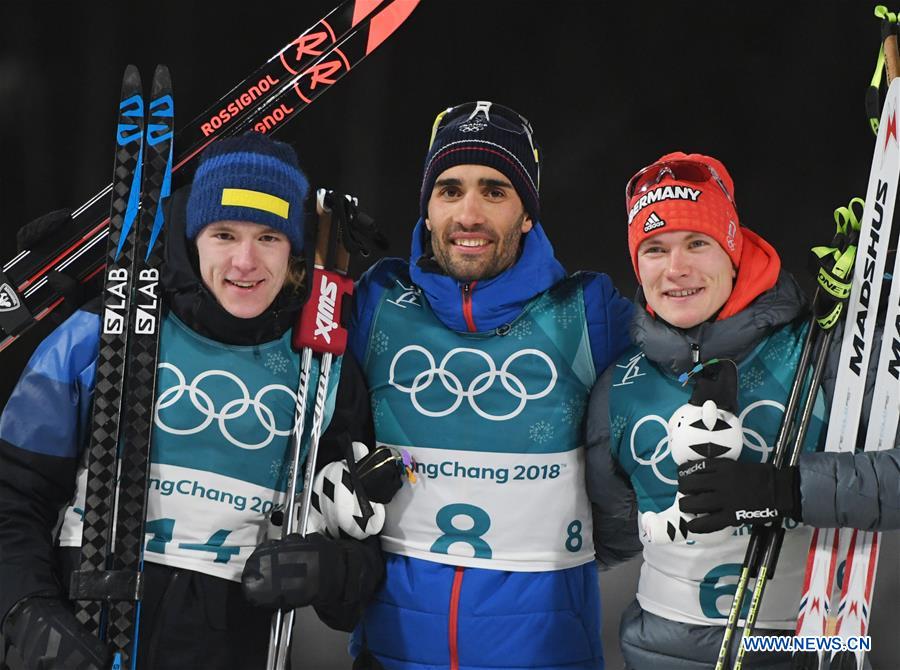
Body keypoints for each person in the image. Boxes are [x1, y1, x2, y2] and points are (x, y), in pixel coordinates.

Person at [0, 132, 386, 669]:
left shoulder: (326, 373)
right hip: (87, 640)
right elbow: (13, 492)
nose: (245, 261)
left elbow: (361, 553)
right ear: (194, 236)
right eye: (224, 233)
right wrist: (24, 607)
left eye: (269, 237)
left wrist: (333, 570)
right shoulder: (101, 336)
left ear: (294, 250)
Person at [346, 101, 634, 670]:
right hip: (392, 654)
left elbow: (696, 336)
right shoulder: (379, 305)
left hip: (546, 657)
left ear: (527, 213)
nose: (469, 214)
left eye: (495, 191)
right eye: (449, 190)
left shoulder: (585, 312)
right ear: (427, 210)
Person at [587, 151, 900, 669]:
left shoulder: (820, 350)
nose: (676, 268)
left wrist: (788, 490)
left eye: (697, 243)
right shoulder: (619, 386)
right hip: (658, 655)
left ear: (732, 250)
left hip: (806, 648)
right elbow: (608, 537)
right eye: (655, 249)